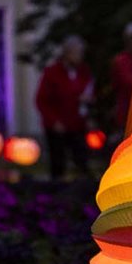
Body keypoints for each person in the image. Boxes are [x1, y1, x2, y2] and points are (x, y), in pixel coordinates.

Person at [34, 35, 94, 180]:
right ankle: (57, 192)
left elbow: (88, 91)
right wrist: (54, 121)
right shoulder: (52, 73)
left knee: (81, 159)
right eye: (77, 53)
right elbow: (41, 100)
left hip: (77, 124)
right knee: (58, 163)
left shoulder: (84, 72)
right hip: (57, 127)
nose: (80, 57)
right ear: (67, 53)